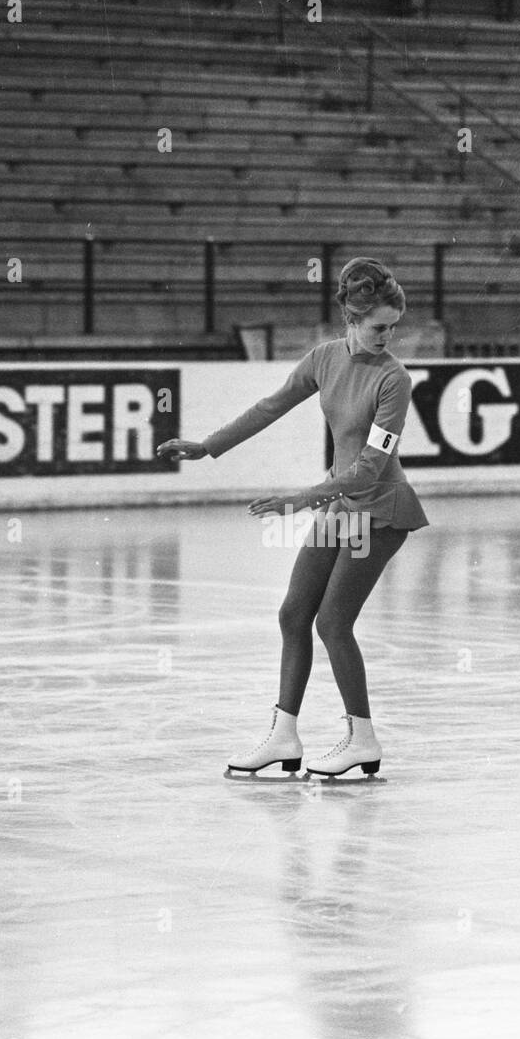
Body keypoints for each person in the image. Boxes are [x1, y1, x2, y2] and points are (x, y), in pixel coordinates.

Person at [157, 257, 430, 777]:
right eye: (379, 327)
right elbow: (270, 406)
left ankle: (363, 740)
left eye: (394, 328)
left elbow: (371, 468)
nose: (388, 337)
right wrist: (207, 447)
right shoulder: (325, 358)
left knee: (333, 622)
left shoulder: (395, 379)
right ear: (351, 320)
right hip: (343, 503)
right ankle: (284, 735)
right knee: (293, 613)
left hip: (381, 509)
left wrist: (301, 499)